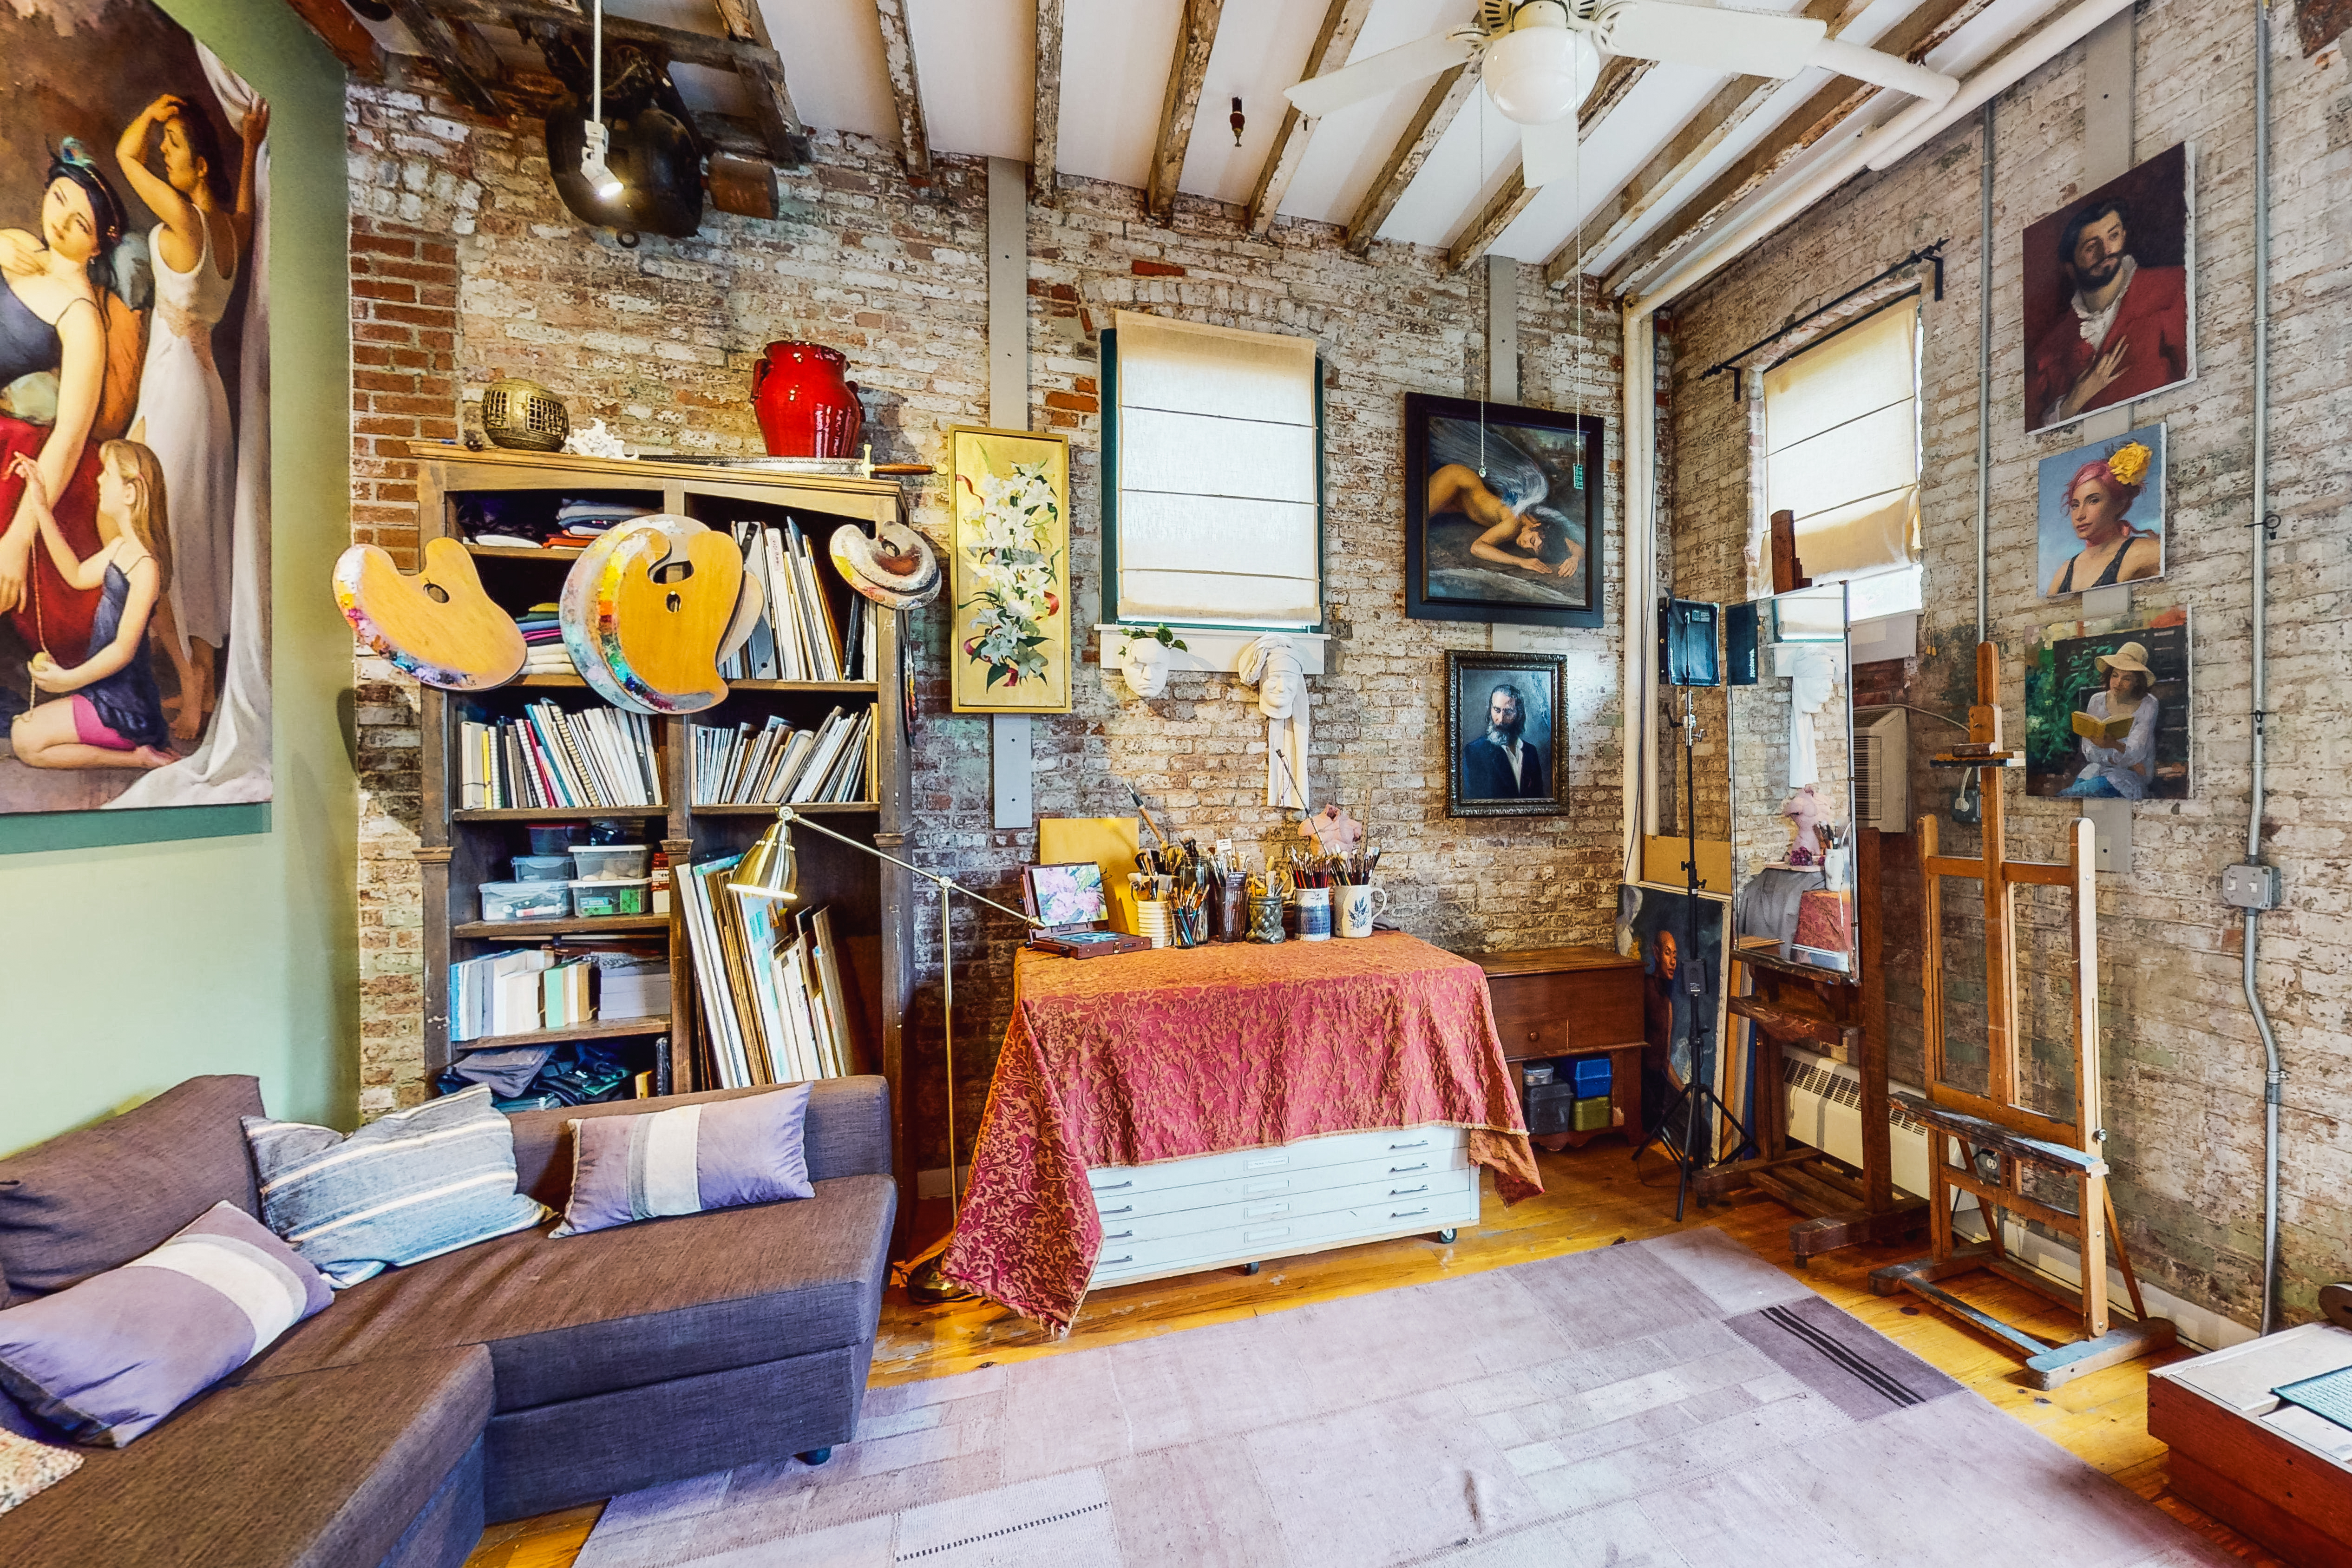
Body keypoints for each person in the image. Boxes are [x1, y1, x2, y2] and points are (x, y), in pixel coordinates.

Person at [117, 91, 267, 741]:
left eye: (173, 146)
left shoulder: (181, 218)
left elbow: (123, 156)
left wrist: (149, 113)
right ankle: (197, 686)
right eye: (164, 145)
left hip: (176, 386)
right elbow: (245, 208)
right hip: (209, 394)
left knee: (162, 534)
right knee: (199, 537)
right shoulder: (231, 232)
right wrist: (250, 144)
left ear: (199, 165)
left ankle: (189, 679)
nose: (161, 153)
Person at [0, 142, 131, 665]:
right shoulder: (13, 247)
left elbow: (70, 437)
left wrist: (15, 541)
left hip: (17, 455)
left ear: (97, 244)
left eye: (79, 223)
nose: (60, 221)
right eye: (58, 200)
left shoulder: (82, 319)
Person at [7, 442, 175, 771]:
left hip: (125, 705)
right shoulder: (121, 549)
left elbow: (124, 651)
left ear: (130, 493)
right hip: (105, 692)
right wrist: (40, 506)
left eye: (106, 474)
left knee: (24, 739)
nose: (98, 481)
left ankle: (137, 757)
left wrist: (67, 680)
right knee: (23, 733)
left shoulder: (146, 567)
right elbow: (76, 574)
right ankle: (135, 752)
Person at [2026, 197, 2189, 428]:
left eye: (2113, 236)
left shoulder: (2174, 289)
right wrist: (2072, 404)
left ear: (2124, 235)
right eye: (2092, 247)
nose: (2106, 251)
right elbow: (2034, 434)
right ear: (2070, 267)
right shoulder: (2050, 349)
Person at [1427, 462, 1585, 582]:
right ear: (1536, 528)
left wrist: (1574, 559)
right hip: (1457, 481)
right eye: (1531, 541)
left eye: (1532, 550)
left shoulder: (1543, 529)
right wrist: (1521, 562)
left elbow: (1573, 546)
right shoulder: (1513, 525)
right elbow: (1477, 548)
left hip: (1460, 500)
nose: (1525, 545)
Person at [2046, 443, 2161, 596]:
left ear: (2119, 504)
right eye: (2075, 505)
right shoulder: (2065, 571)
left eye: (2093, 501)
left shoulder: (2145, 553)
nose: (2080, 515)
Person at [2060, 642, 2158, 800]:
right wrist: (2116, 755)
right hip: (2097, 769)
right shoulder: (2097, 701)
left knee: (2071, 796)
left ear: (2138, 682)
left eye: (2127, 679)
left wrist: (2113, 746)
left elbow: (2137, 752)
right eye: (2115, 675)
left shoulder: (2148, 704)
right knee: (2074, 797)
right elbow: (2089, 751)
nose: (2118, 683)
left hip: (2129, 777)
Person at [1458, 682, 1548, 799]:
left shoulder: (1531, 752)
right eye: (1497, 710)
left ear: (1519, 714)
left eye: (1508, 712)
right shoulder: (1474, 752)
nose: (1501, 719)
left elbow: (1539, 799)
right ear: (1490, 709)